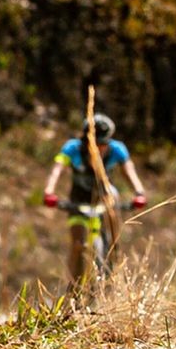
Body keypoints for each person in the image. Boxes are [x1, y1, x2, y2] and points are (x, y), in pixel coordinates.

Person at [42, 113, 148, 286]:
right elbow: (57, 169)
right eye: (93, 143)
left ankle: (115, 254)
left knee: (112, 199)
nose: (98, 148)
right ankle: (72, 289)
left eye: (102, 144)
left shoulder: (117, 149)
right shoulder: (72, 148)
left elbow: (129, 171)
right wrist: (49, 191)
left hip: (104, 199)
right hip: (78, 201)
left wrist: (139, 192)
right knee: (78, 243)